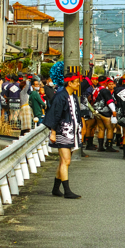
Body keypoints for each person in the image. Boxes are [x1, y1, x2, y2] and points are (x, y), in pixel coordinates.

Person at [43, 69, 83, 199]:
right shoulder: (60, 96)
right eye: (76, 82)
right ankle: (67, 190)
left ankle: (55, 188)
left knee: (63, 161)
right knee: (66, 161)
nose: (78, 84)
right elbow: (55, 115)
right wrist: (53, 132)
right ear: (69, 83)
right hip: (63, 131)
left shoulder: (73, 96)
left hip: (72, 132)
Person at [91, 76, 118, 152]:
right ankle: (109, 146)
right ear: (105, 82)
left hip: (97, 111)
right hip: (105, 112)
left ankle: (100, 147)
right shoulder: (105, 91)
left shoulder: (96, 90)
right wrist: (113, 110)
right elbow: (109, 101)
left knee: (101, 129)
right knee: (110, 128)